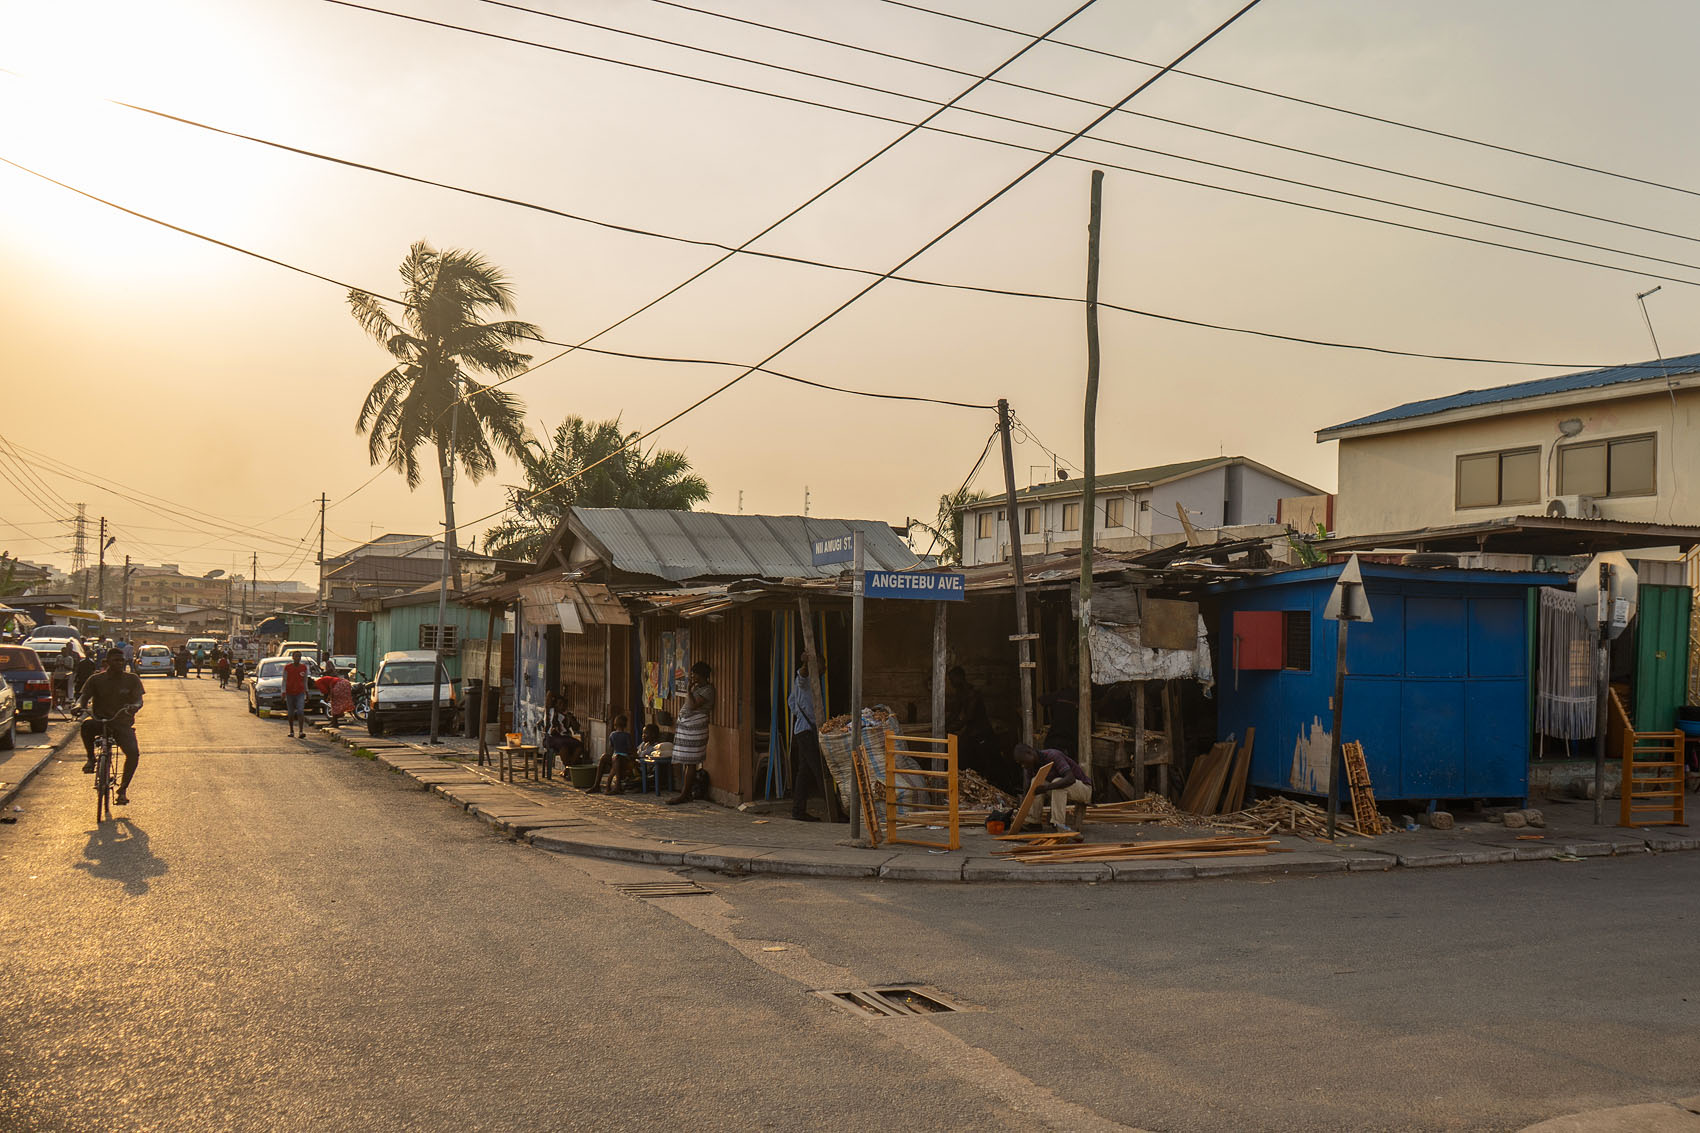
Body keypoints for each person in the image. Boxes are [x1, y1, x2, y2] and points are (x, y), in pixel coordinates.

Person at [78, 648, 145, 806]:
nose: (120, 663)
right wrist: (77, 706)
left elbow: (139, 700)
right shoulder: (96, 679)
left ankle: (122, 790)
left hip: (121, 723)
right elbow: (83, 697)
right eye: (116, 660)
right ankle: (90, 759)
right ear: (107, 662)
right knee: (86, 726)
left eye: (121, 660)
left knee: (133, 754)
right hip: (100, 721)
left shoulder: (132, 679)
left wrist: (134, 706)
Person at [1012, 742, 1093, 832]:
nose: (1023, 765)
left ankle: (1059, 825)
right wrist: (1022, 812)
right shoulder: (1030, 766)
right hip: (1059, 788)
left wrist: (1046, 788)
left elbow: (1070, 779)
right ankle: (1033, 822)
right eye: (1020, 764)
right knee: (1036, 781)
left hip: (1084, 789)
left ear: (1030, 753)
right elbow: (1028, 790)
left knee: (1057, 782)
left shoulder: (1053, 755)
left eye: (1023, 762)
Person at [667, 661, 714, 805]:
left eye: (694, 673)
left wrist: (688, 690)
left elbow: (693, 706)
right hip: (687, 727)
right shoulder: (697, 688)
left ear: (701, 675)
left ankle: (684, 795)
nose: (692, 676)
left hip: (695, 728)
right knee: (686, 761)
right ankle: (685, 792)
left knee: (691, 762)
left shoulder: (707, 690)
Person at [787, 657, 827, 822]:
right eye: (821, 664)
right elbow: (802, 675)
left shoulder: (813, 684)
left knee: (804, 773)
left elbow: (791, 702)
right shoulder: (804, 680)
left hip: (803, 731)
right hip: (806, 732)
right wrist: (805, 663)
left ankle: (798, 810)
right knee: (820, 771)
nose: (824, 668)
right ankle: (835, 809)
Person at [592, 714, 636, 793]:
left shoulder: (612, 735)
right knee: (605, 757)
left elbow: (611, 747)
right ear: (625, 725)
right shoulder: (627, 735)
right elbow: (630, 748)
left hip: (618, 758)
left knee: (613, 758)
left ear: (615, 725)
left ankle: (616, 786)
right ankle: (596, 785)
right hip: (621, 757)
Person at [282, 651, 312, 739]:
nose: (297, 658)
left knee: (300, 711)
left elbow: (305, 681)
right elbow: (284, 680)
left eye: (299, 656)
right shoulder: (288, 667)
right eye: (296, 656)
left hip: (300, 692)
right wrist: (283, 692)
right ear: (292, 657)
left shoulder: (303, 667)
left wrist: (307, 692)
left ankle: (301, 731)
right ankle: (291, 731)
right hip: (289, 692)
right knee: (290, 712)